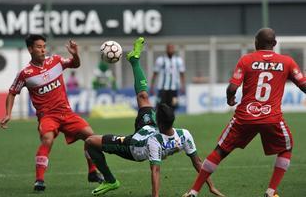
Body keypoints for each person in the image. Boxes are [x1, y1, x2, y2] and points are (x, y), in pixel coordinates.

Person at [85, 37, 225, 197]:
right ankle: (134, 60)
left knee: (90, 142)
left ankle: (110, 180)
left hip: (133, 145)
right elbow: (198, 162)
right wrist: (211, 187)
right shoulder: (184, 135)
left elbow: (156, 171)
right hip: (148, 128)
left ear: (159, 121)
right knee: (143, 96)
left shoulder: (154, 143)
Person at [182, 28, 306, 197]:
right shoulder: (287, 62)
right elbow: (303, 85)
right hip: (271, 117)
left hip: (244, 117)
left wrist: (229, 98)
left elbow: (232, 87)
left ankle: (193, 192)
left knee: (220, 150)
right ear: (275, 44)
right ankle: (271, 192)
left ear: (256, 43)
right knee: (286, 147)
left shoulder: (247, 60)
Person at [0, 34, 103, 191]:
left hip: (66, 113)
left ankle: (92, 172)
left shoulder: (56, 61)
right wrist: (8, 114)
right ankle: (39, 180)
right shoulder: (25, 73)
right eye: (39, 47)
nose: (43, 50)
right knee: (47, 139)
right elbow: (12, 92)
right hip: (47, 116)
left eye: (44, 46)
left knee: (91, 136)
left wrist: (75, 54)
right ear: (30, 49)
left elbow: (75, 64)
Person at [150, 43, 186, 111]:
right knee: (160, 106)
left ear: (174, 49)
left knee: (174, 106)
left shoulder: (178, 61)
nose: (170, 50)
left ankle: (170, 121)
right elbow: (155, 74)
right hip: (162, 89)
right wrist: (152, 87)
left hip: (174, 89)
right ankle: (160, 121)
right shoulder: (160, 60)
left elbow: (182, 74)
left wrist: (183, 86)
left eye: (172, 48)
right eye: (169, 48)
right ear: (166, 50)